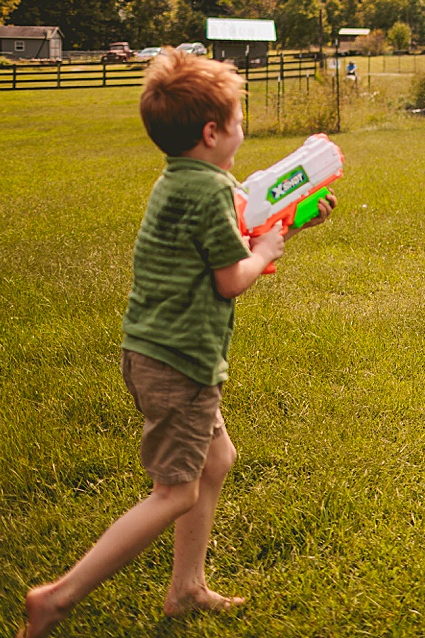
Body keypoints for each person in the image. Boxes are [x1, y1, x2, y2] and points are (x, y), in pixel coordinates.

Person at [19, 50, 336, 637]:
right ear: (213, 132)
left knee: (218, 461)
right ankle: (57, 598)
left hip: (152, 351)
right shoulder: (209, 192)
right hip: (180, 364)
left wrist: (287, 223)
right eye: (239, 120)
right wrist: (265, 254)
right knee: (174, 492)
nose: (244, 129)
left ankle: (185, 590)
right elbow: (230, 276)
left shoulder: (186, 182)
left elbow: (234, 228)